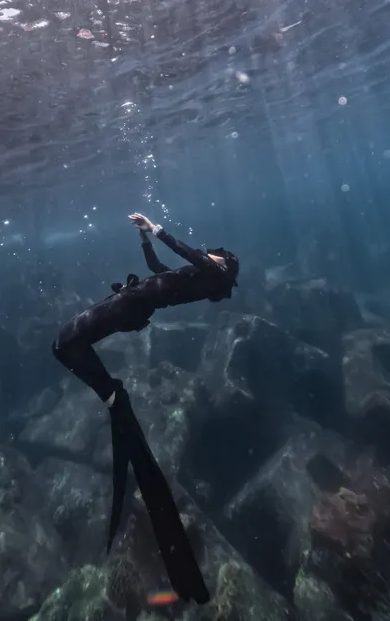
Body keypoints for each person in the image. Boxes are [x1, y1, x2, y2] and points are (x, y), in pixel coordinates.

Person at [52, 212, 239, 605]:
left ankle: (111, 393)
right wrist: (145, 241)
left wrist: (156, 227)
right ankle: (110, 393)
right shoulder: (199, 276)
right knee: (67, 343)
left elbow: (187, 251)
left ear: (223, 266)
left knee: (66, 343)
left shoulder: (210, 274)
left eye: (217, 255)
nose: (210, 253)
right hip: (133, 305)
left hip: (131, 307)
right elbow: (157, 268)